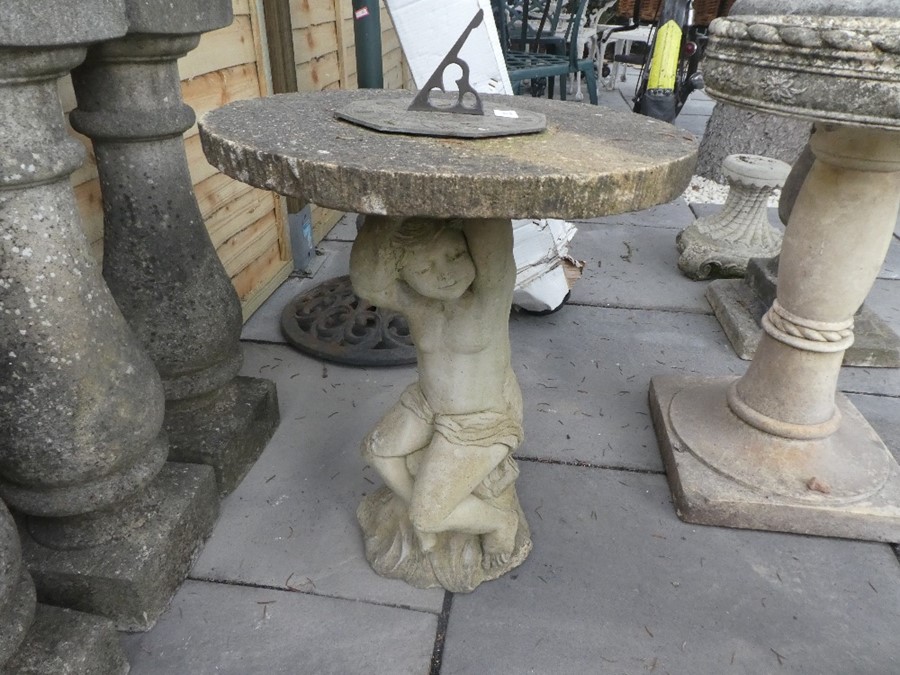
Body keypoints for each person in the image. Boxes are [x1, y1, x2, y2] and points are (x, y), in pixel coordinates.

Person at [350, 215, 523, 570]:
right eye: (425, 269)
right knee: (377, 450)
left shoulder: (488, 298)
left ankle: (498, 522)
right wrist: (389, 211)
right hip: (428, 403)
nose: (446, 274)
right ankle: (428, 512)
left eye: (456, 255)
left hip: (478, 420)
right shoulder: (418, 304)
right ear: (406, 276)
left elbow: (493, 232)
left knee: (427, 516)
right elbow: (367, 282)